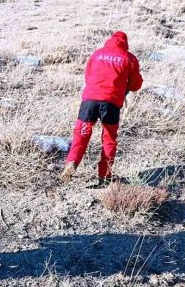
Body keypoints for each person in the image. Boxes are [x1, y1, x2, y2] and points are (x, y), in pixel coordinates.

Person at [60, 31, 143, 187]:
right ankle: (104, 176)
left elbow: (88, 76)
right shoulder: (129, 58)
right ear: (125, 43)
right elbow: (136, 85)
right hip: (111, 103)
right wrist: (122, 87)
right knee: (109, 138)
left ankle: (72, 162)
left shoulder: (97, 53)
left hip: (90, 100)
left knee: (81, 133)